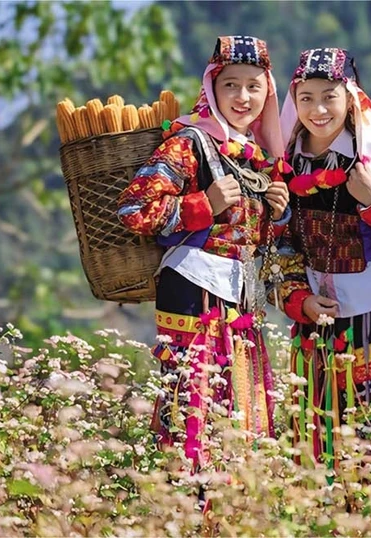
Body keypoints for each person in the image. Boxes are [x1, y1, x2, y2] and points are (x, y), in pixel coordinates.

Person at [117, 35, 289, 471]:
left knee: (240, 405)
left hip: (239, 294)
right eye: (231, 85)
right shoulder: (189, 142)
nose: (243, 97)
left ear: (268, 92)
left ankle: (229, 509)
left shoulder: (257, 158)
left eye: (254, 86)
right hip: (192, 289)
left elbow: (250, 237)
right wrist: (203, 205)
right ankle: (188, 506)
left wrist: (276, 212)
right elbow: (135, 210)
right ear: (212, 86)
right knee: (192, 405)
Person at [267, 48, 371, 469]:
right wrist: (297, 299)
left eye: (329, 97)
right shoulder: (285, 169)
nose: (318, 109)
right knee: (323, 453)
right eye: (306, 98)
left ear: (350, 99)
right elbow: (280, 248)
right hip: (317, 325)